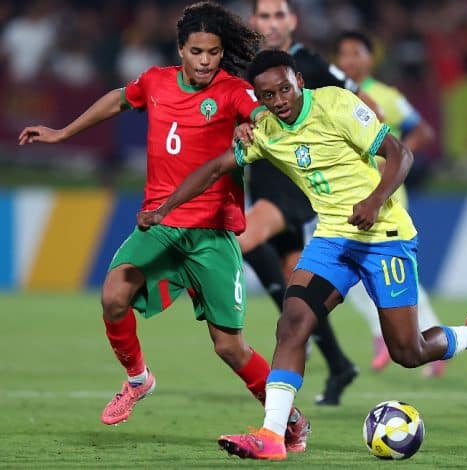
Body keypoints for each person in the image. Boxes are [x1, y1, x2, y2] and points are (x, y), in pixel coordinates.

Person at [137, 49, 467, 460]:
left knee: (407, 351)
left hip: (385, 237)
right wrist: (165, 208)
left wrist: (375, 200)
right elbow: (216, 168)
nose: (279, 100)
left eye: (284, 89)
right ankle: (273, 435)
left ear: (299, 82)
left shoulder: (336, 104)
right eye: (268, 95)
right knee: (292, 323)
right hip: (332, 242)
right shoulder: (266, 132)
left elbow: (401, 153)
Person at [17, 1, 310, 452]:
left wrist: (253, 126)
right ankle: (138, 379)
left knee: (229, 347)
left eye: (214, 52)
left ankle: (288, 419)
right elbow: (118, 99)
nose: (206, 61)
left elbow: (263, 114)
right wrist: (63, 132)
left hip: (212, 233)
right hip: (160, 225)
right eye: (197, 52)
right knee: (114, 295)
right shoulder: (155, 81)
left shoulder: (234, 90)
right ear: (181, 50)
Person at [241, 0, 384, 405]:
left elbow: (367, 105)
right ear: (253, 22)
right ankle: (339, 365)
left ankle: (301, 347)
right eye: (264, 16)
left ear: (292, 20)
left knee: (245, 239)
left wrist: (355, 156)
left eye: (278, 15)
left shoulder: (308, 64)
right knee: (297, 290)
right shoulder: (251, 69)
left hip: (295, 188)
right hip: (264, 181)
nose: (271, 23)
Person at [335, 30, 445, 376]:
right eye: (343, 54)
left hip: (386, 197)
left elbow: (423, 132)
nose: (349, 60)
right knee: (347, 271)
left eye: (356, 53)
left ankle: (429, 341)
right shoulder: (332, 95)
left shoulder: (387, 96)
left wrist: (392, 158)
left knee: (393, 271)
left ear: (371, 58)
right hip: (348, 197)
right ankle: (383, 333)